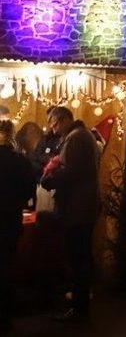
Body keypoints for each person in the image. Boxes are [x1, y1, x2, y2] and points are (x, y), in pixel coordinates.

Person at [40, 106, 100, 322]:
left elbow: (72, 171)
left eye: (54, 123)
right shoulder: (82, 136)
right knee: (81, 258)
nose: (53, 129)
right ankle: (80, 305)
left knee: (78, 259)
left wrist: (50, 180)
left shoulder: (75, 138)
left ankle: (79, 308)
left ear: (65, 119)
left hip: (77, 208)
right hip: (83, 206)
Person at [0, 119, 35, 335]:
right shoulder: (21, 162)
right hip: (9, 222)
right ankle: (4, 317)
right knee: (5, 268)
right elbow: (29, 192)